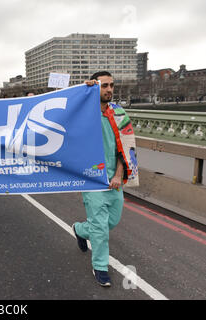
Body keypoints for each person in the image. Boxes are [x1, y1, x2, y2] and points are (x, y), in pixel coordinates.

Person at [72, 71, 137, 287]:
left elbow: (126, 148)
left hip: (114, 177)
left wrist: (119, 174)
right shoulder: (83, 112)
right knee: (100, 227)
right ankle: (100, 267)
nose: (109, 89)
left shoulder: (119, 114)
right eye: (103, 86)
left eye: (111, 85)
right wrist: (82, 92)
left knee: (112, 221)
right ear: (95, 88)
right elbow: (62, 114)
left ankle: (80, 230)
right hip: (91, 178)